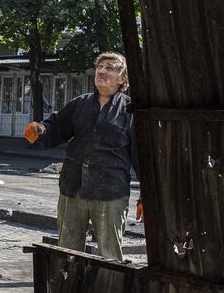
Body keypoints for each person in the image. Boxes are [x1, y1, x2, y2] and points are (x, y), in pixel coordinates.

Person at [23, 52, 140, 259]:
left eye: (110, 68)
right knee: (66, 252)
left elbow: (142, 156)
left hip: (110, 193)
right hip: (73, 188)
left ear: (122, 80)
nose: (102, 71)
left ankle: (107, 292)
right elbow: (56, 127)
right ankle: (68, 291)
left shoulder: (130, 111)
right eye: (100, 67)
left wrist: (146, 195)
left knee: (109, 255)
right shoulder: (81, 103)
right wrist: (40, 130)